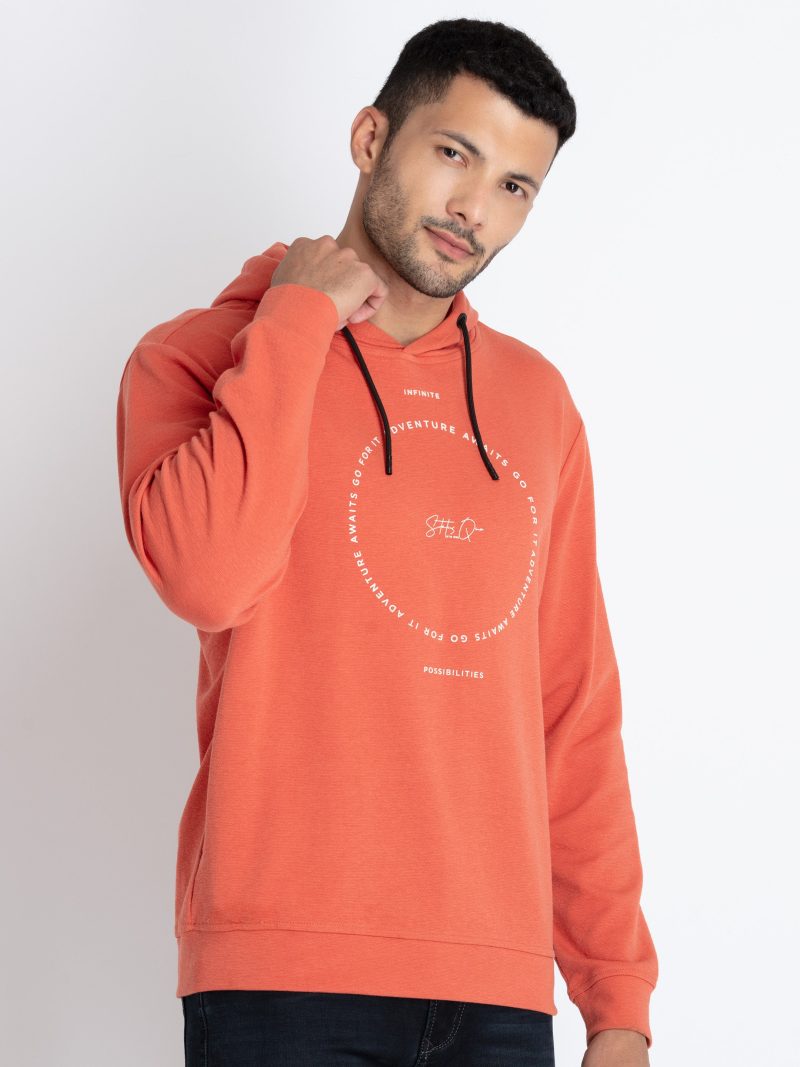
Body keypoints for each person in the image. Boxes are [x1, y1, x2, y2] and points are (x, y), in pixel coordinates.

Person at [116, 17, 658, 1066]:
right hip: (280, 977)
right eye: (454, 152)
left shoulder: (537, 404)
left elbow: (573, 709)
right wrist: (291, 322)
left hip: (497, 987)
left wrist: (617, 996)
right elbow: (208, 577)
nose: (473, 208)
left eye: (514, 185)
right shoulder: (195, 356)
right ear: (371, 138)